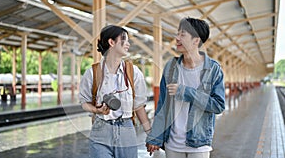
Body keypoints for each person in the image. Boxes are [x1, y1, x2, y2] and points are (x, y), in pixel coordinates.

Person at [145, 17, 225, 158]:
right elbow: (162, 105)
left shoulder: (213, 69)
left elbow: (218, 105)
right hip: (173, 144)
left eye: (182, 34)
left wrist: (186, 92)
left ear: (196, 40)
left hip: (199, 144)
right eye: (178, 34)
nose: (177, 38)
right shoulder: (171, 67)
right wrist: (155, 136)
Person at [79, 25, 151, 158]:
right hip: (100, 130)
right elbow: (84, 102)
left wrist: (150, 133)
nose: (128, 44)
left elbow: (139, 106)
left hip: (126, 130)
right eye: (124, 40)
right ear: (111, 42)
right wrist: (97, 110)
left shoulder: (133, 72)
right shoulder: (92, 73)